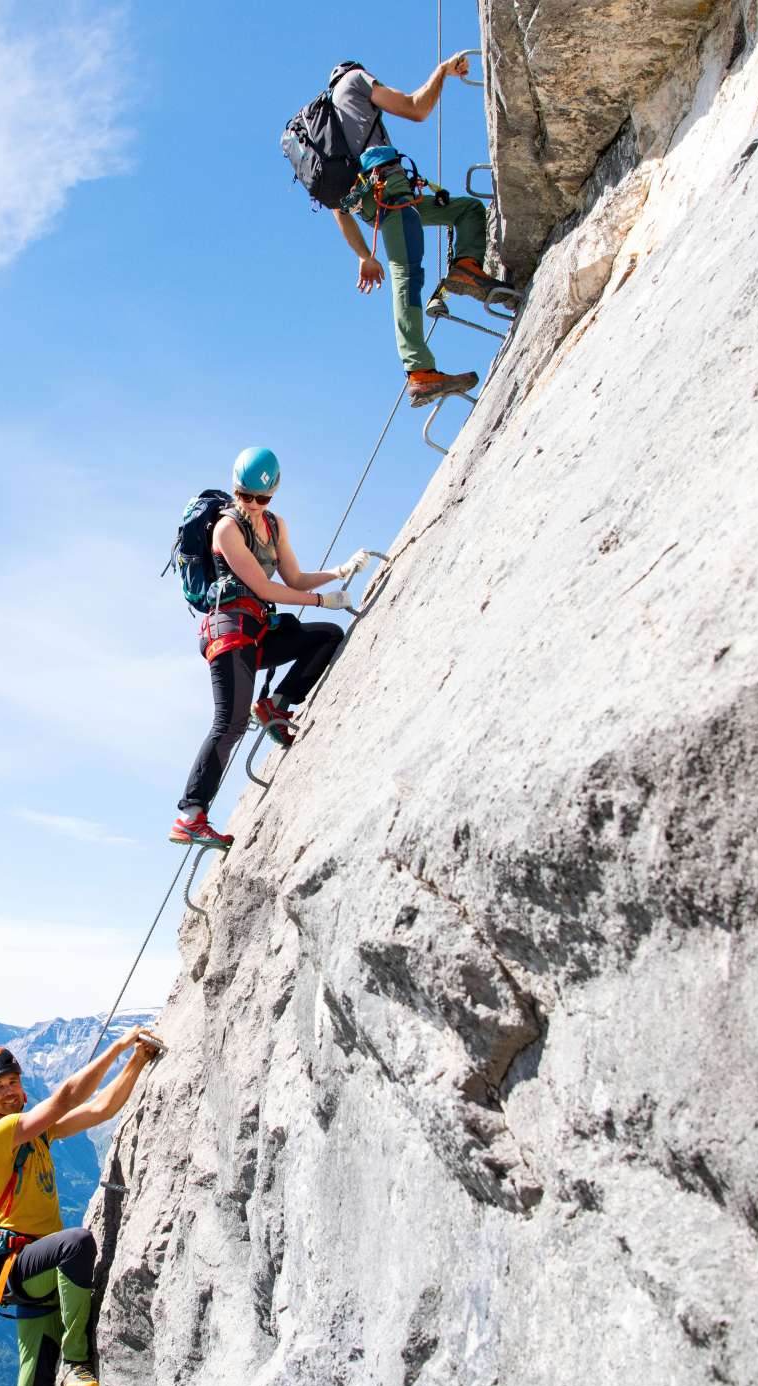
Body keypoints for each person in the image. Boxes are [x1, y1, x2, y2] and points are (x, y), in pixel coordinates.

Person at [170, 447, 375, 850]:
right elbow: (264, 588)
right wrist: (324, 600)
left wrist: (339, 571)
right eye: (245, 495)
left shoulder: (276, 526)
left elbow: (294, 579)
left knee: (326, 637)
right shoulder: (226, 529)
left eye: (261, 498)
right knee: (228, 723)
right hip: (228, 631)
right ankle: (190, 816)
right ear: (235, 489)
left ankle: (275, 705)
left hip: (258, 631)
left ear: (274, 494)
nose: (252, 504)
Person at [0, 1028, 166, 1386]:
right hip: (22, 1267)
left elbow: (99, 1110)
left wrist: (137, 1061)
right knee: (77, 1243)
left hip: (39, 1277)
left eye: (13, 1083)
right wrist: (117, 1046)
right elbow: (66, 1099)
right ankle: (77, 1363)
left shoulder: (38, 1135)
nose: (9, 1092)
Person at [324, 58, 515, 404]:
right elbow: (415, 108)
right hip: (390, 188)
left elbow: (339, 210)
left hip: (374, 202)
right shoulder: (356, 80)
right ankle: (419, 370)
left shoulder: (329, 125)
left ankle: (466, 269)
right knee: (407, 273)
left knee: (467, 211)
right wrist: (441, 73)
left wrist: (364, 255)